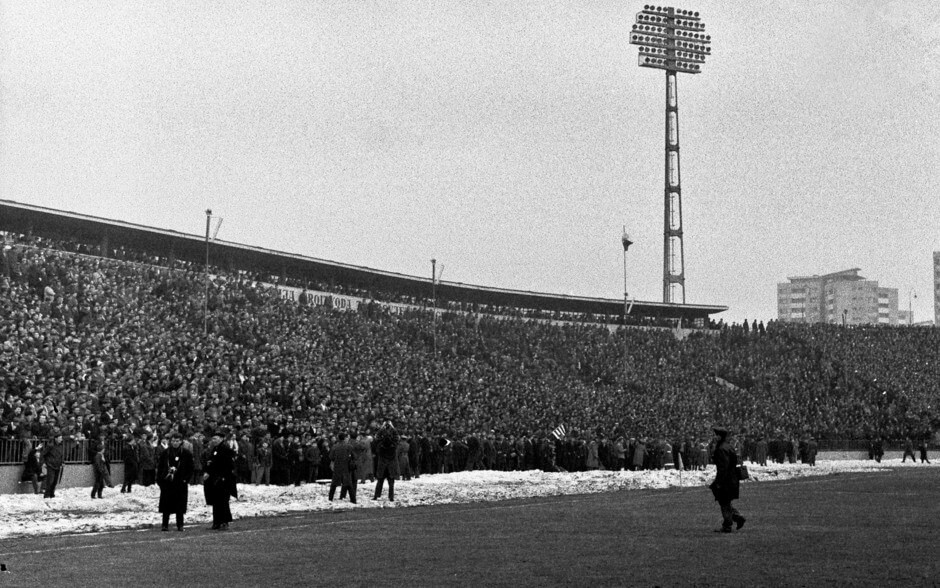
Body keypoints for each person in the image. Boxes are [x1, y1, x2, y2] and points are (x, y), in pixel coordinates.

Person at [709, 426, 745, 533]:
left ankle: (728, 524)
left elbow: (723, 467)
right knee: (726, 502)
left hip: (726, 480)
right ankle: (736, 518)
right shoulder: (728, 447)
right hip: (731, 478)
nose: (714, 437)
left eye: (715, 435)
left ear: (719, 436)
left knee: (724, 502)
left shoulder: (721, 449)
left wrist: (719, 482)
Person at [157, 432, 195, 531]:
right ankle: (164, 525)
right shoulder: (165, 453)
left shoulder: (186, 453)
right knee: (166, 505)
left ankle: (180, 525)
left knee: (180, 505)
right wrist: (160, 480)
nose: (175, 443)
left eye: (177, 441)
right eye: (173, 441)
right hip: (167, 482)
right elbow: (160, 467)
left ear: (181, 441)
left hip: (180, 483)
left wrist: (185, 479)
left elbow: (190, 468)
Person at [204, 430, 238, 530]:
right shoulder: (215, 448)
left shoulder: (225, 449)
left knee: (222, 501)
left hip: (223, 480)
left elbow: (229, 465)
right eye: (213, 439)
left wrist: (223, 477)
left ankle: (224, 521)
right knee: (216, 501)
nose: (213, 440)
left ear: (221, 439)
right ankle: (217, 522)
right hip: (214, 479)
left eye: (215, 438)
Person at [373, 421, 400, 501]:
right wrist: (392, 428)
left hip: (382, 466)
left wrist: (382, 428)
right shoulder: (393, 447)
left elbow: (376, 437)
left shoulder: (381, 447)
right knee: (391, 483)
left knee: (380, 482)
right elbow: (397, 438)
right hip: (391, 466)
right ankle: (391, 497)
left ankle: (376, 496)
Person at [328, 431, 357, 503]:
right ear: (344, 438)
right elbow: (354, 456)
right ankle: (353, 500)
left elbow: (331, 457)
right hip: (346, 467)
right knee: (349, 484)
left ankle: (330, 498)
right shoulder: (349, 446)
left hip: (337, 467)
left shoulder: (335, 446)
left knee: (334, 484)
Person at [42, 431, 65, 499]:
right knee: (50, 481)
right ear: (56, 438)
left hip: (58, 465)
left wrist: (62, 462)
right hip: (50, 465)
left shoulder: (61, 445)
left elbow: (61, 455)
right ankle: (46, 495)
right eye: (60, 438)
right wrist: (45, 462)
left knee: (55, 481)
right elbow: (44, 454)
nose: (61, 439)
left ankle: (52, 494)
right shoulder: (50, 445)